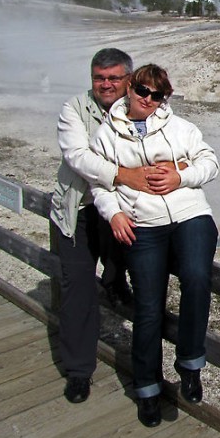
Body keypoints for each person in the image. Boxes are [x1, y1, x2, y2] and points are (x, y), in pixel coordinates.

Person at [91, 64, 219, 428]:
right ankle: (147, 388)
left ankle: (190, 364)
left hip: (191, 215)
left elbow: (210, 163)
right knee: (148, 307)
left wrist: (181, 175)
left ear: (166, 97)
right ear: (130, 88)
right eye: (143, 91)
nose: (148, 99)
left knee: (196, 276)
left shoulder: (181, 128)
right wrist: (114, 213)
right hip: (143, 223)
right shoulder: (108, 134)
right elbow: (100, 183)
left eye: (157, 95)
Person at [50, 48, 175, 404]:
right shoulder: (74, 108)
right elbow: (77, 157)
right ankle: (78, 371)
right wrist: (124, 175)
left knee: (147, 286)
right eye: (99, 78)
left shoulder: (145, 107)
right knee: (77, 291)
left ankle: (116, 283)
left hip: (123, 211)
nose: (105, 84)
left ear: (129, 80)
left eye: (114, 78)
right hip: (80, 212)